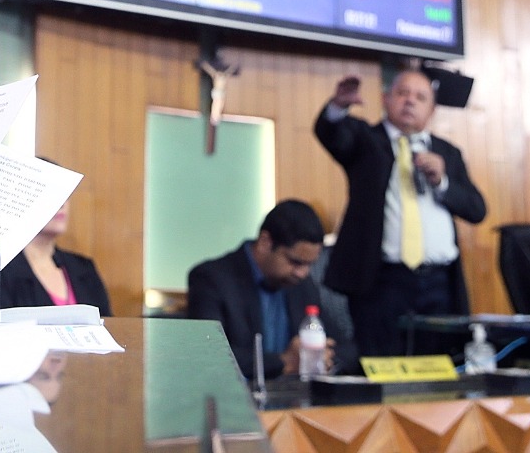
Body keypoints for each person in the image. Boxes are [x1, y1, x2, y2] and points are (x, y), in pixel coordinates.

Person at [314, 70, 486, 358]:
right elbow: (331, 134)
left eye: (420, 97)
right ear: (385, 99)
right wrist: (338, 106)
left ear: (432, 109)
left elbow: (476, 210)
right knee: (382, 365)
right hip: (382, 281)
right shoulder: (365, 140)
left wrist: (443, 182)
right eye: (402, 93)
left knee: (438, 365)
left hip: (439, 282)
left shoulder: (447, 152)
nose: (410, 101)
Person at [186, 199, 331, 380]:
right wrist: (284, 361)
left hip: (293, 394)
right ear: (265, 242)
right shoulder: (211, 279)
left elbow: (343, 345)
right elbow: (209, 355)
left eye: (309, 265)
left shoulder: (302, 284)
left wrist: (324, 355)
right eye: (295, 262)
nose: (303, 273)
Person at [0, 194, 112, 315]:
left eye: (65, 195)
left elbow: (107, 322)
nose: (62, 204)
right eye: (50, 195)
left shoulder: (84, 267)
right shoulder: (0, 271)